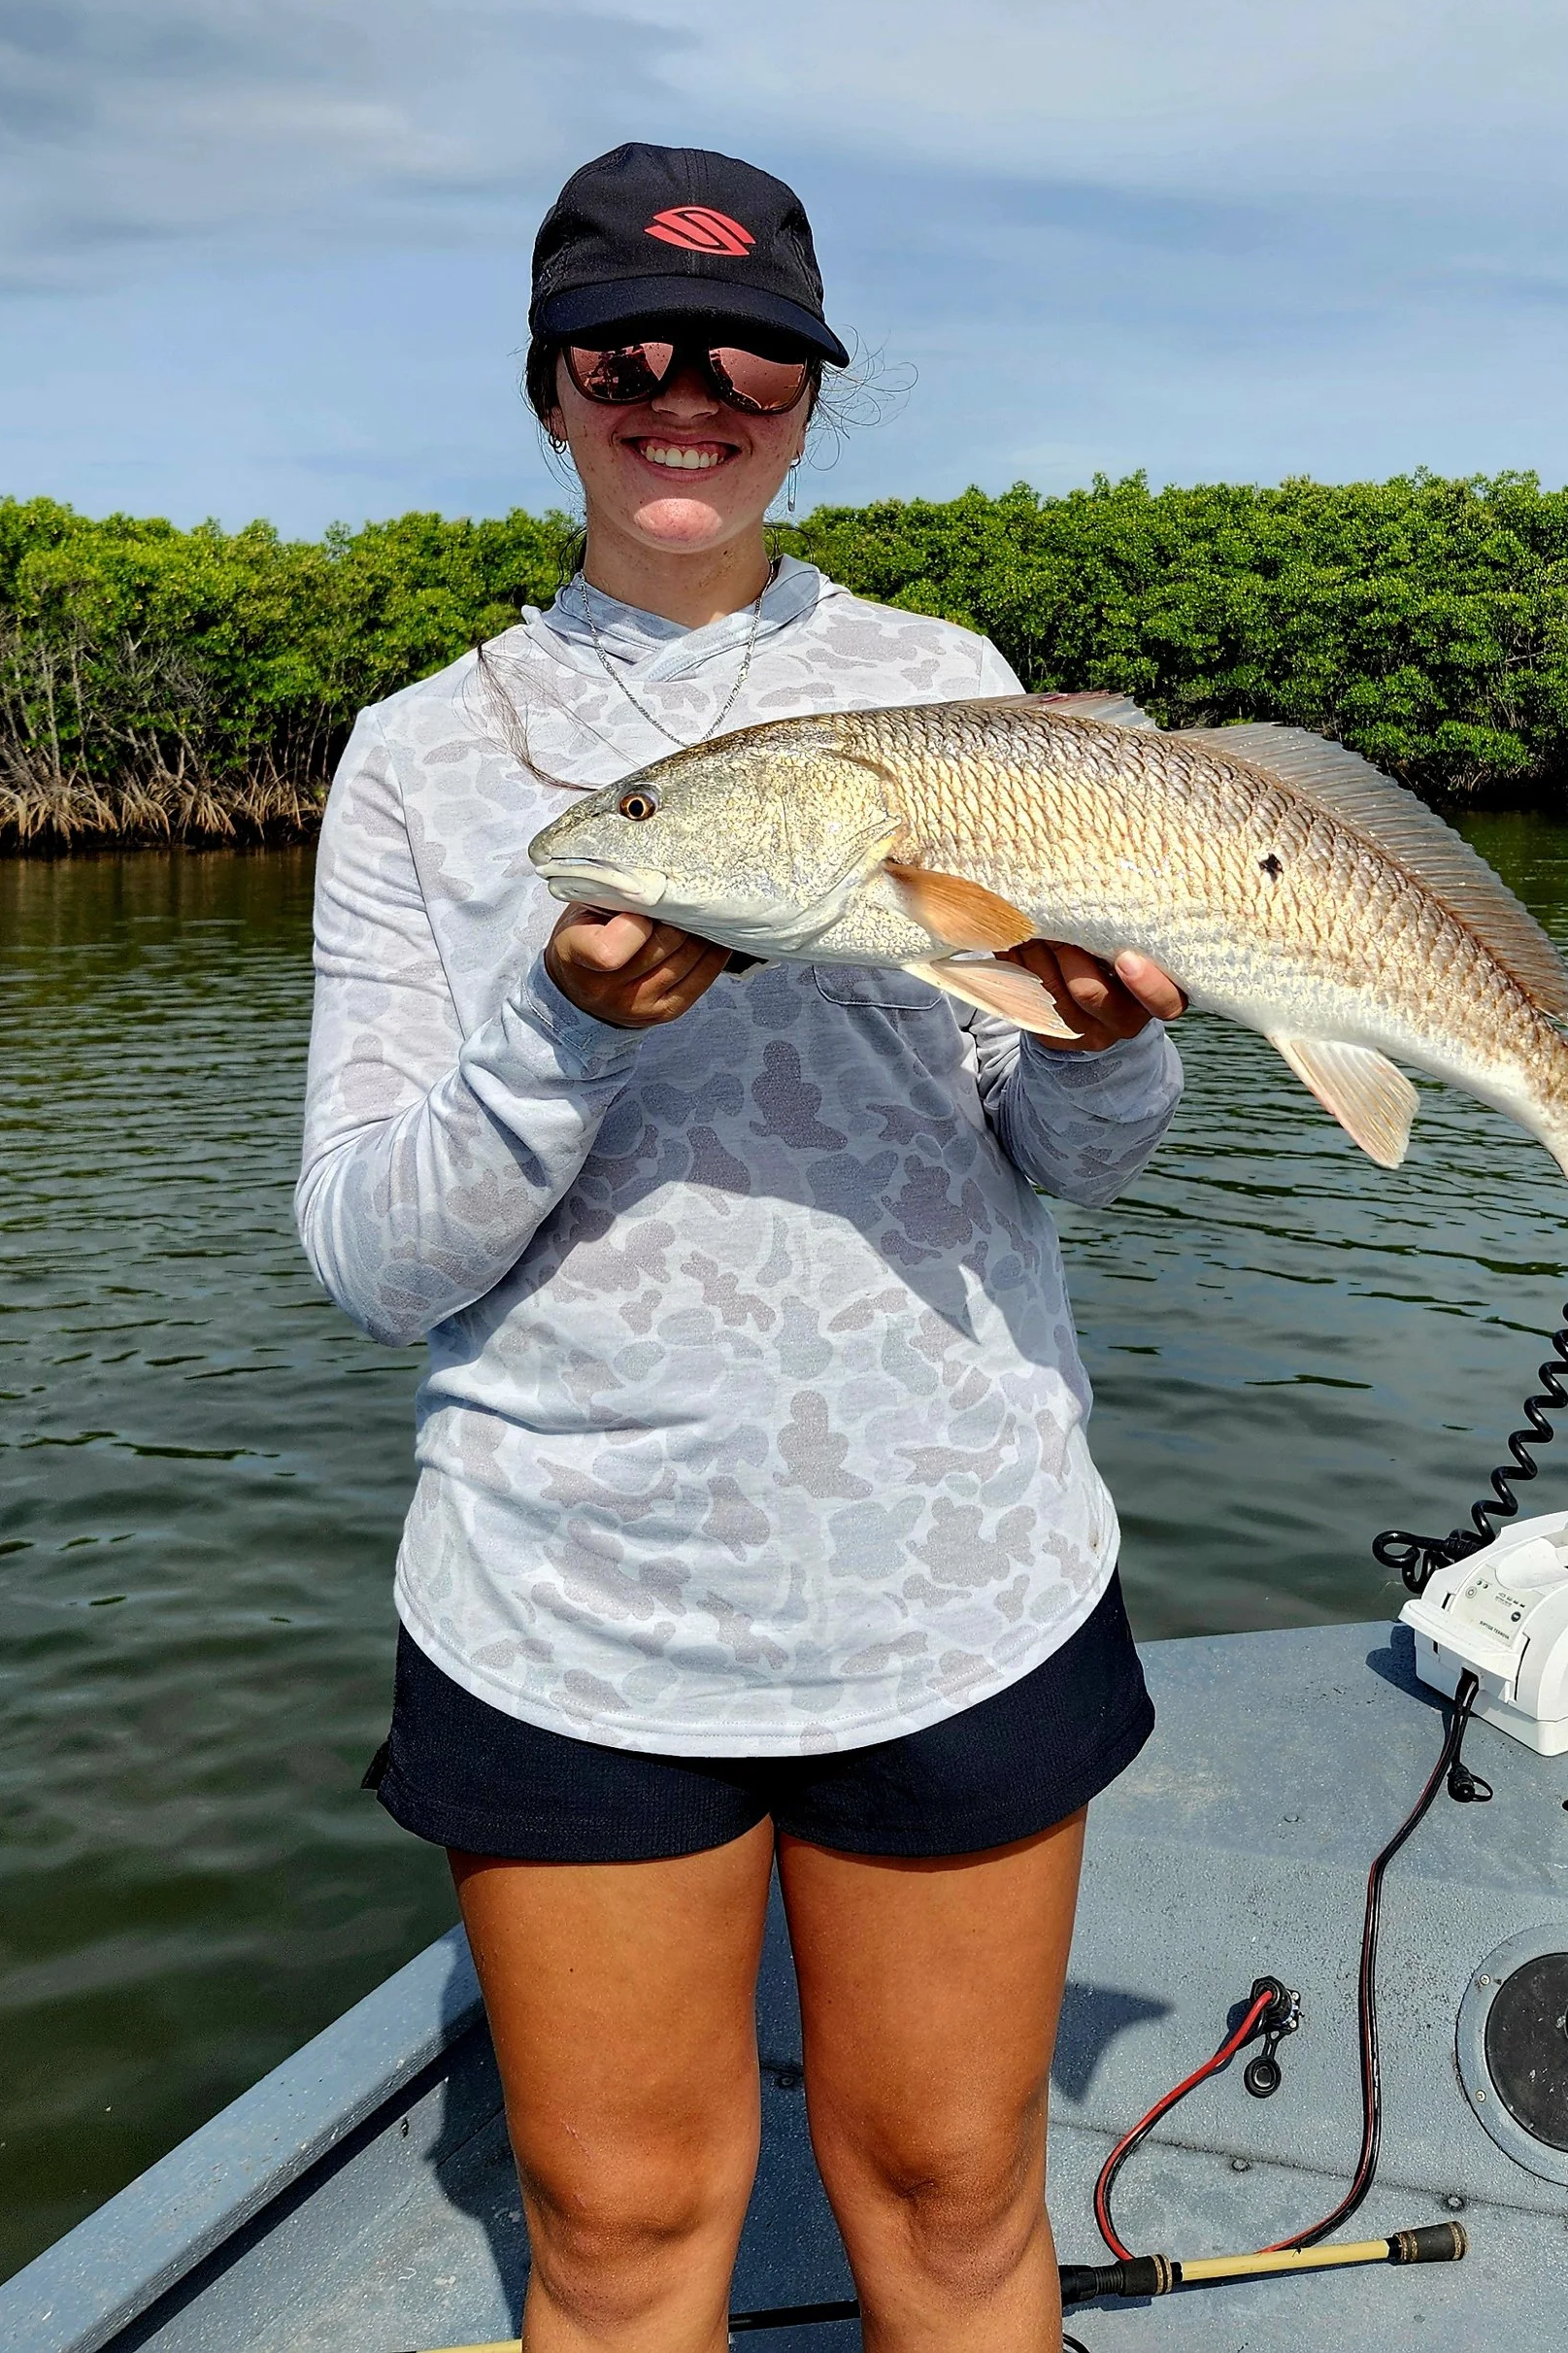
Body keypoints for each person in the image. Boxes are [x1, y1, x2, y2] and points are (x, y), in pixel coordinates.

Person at [296, 143, 1186, 2353]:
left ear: (803, 395)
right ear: (549, 384)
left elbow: (1071, 1152)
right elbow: (371, 1259)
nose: (684, 392)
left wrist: (1101, 1044)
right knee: (610, 2246)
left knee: (963, 2199)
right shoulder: (422, 761)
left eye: (749, 354)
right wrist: (555, 1038)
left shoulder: (951, 680)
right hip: (572, 1601)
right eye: (627, 348)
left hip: (951, 1570)